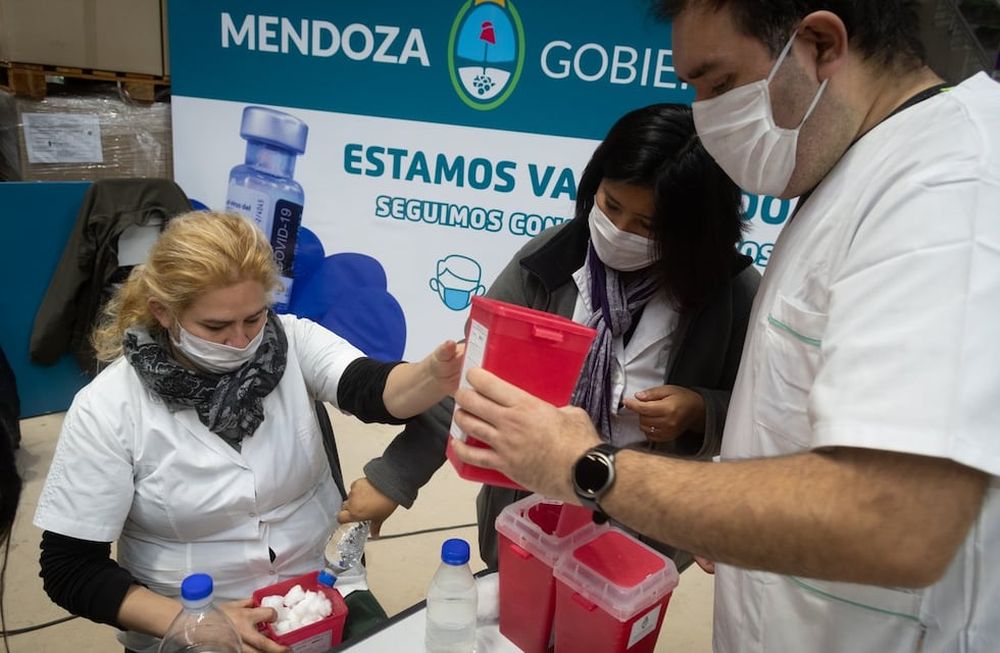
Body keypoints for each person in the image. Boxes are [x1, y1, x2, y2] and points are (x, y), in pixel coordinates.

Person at [448, 2, 1000, 652]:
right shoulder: (852, 178)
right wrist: (725, 511)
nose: (707, 118)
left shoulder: (950, 190)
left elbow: (896, 517)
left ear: (821, 45)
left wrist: (589, 465)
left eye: (718, 84)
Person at [342, 103, 760, 570]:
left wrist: (701, 411)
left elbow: (766, 415)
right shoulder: (548, 264)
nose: (619, 232)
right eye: (611, 205)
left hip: (646, 528)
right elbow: (472, 380)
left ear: (695, 230)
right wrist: (393, 479)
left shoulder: (731, 294)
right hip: (527, 511)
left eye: (646, 226)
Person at [32, 212, 464, 653]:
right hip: (188, 620)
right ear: (163, 312)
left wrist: (431, 375)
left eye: (254, 319)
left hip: (319, 596)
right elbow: (70, 569)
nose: (240, 342)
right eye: (215, 327)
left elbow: (372, 389)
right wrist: (196, 622)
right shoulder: (109, 406)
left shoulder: (293, 342)